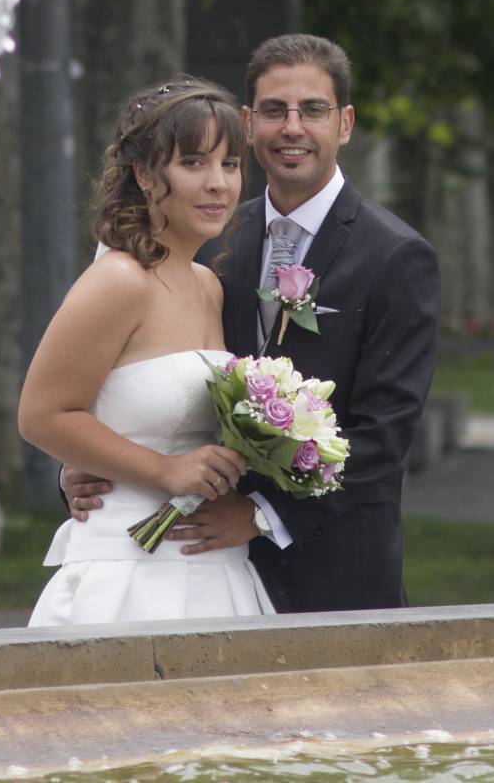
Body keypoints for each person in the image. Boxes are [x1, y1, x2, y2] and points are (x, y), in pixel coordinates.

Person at [64, 33, 441, 614]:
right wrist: (86, 467)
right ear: (248, 122)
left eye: (312, 109)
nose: (292, 127)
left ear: (345, 123)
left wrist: (262, 515)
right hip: (197, 561)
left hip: (333, 571)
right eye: (273, 111)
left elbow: (384, 435)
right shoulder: (209, 241)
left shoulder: (395, 255)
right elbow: (117, 374)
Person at [18, 77, 274, 626]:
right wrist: (163, 470)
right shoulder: (119, 280)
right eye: (194, 163)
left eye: (230, 165)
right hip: (131, 575)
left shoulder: (208, 284)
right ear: (143, 174)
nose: (217, 185)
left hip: (220, 569)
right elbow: (42, 416)